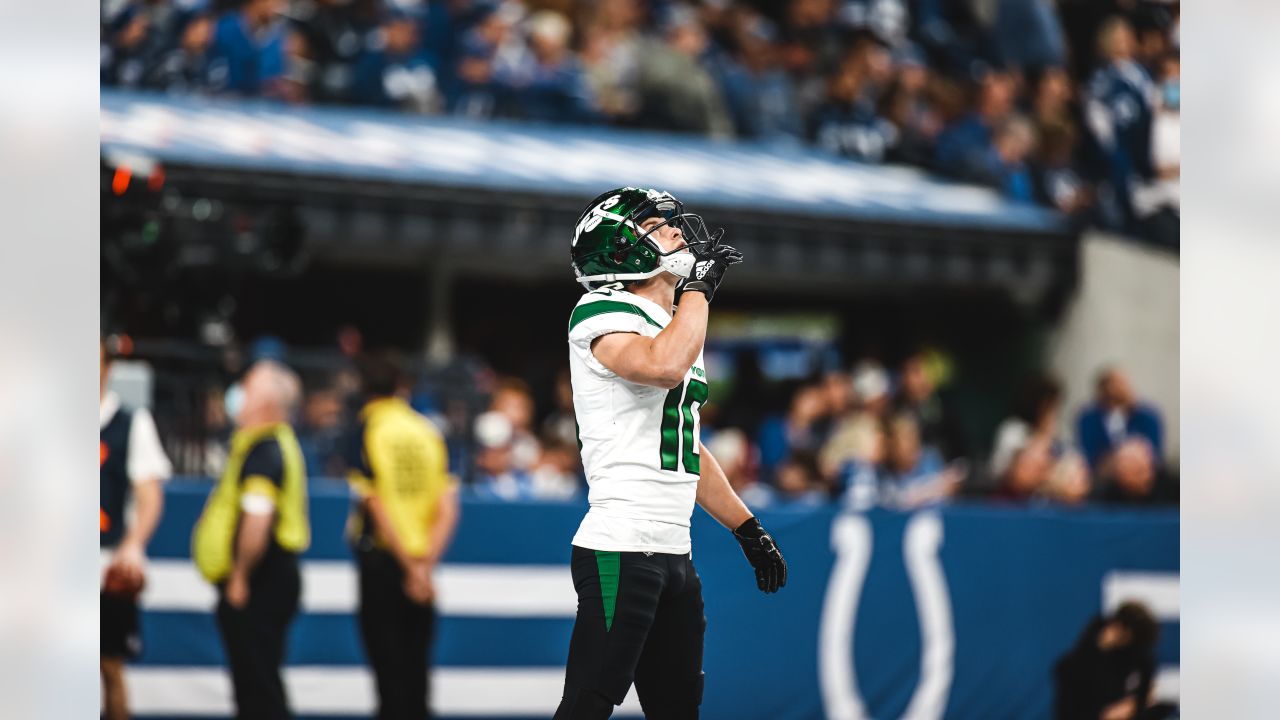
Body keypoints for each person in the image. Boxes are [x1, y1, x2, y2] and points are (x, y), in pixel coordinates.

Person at [558, 187, 787, 719]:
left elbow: (684, 443)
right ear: (622, 249)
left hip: (673, 550)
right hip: (620, 544)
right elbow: (662, 367)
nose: (678, 233)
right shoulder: (601, 310)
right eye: (659, 228)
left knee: (678, 709)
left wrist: (746, 528)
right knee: (587, 705)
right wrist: (699, 291)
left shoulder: (677, 322)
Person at [192, 360, 310, 720]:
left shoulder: (265, 449)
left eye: (247, 388)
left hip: (261, 578)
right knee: (255, 682)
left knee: (258, 687)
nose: (238, 394)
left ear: (268, 403)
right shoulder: (261, 445)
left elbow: (258, 519)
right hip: (265, 577)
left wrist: (241, 576)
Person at [346, 352, 460, 719]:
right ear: (402, 388)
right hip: (423, 563)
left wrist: (409, 568)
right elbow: (448, 507)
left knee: (388, 676)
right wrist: (423, 567)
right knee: (416, 673)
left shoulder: (366, 429)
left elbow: (374, 505)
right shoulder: (427, 430)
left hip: (386, 562)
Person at [100, 339, 172, 720]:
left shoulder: (130, 422)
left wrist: (132, 545)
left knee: (109, 664)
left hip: (105, 558)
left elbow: (150, 495)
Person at [1054, 601, 1172, 720]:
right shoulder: (1087, 651)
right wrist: (1100, 647)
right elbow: (1066, 676)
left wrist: (1135, 705)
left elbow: (1144, 686)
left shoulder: (1136, 652)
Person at [1076, 366, 1164, 471]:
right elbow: (1088, 456)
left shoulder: (1147, 416)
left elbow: (1155, 454)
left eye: (1124, 383)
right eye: (1117, 384)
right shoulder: (1088, 418)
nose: (1123, 388)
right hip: (1102, 477)